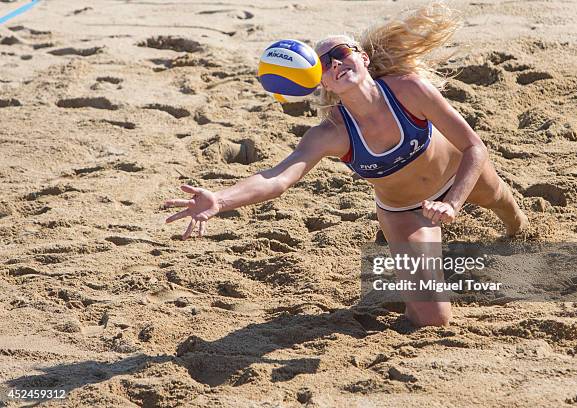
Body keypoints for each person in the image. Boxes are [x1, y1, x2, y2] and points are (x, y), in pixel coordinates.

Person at [163, 3, 529, 327]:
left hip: (459, 175)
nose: (336, 63)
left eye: (341, 52)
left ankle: (517, 235)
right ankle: (399, 268)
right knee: (434, 319)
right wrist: (221, 200)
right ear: (319, 82)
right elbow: (277, 178)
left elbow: (474, 146)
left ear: (363, 58)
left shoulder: (408, 89)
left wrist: (453, 202)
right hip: (406, 211)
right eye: (324, 63)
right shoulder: (333, 132)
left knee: (509, 213)